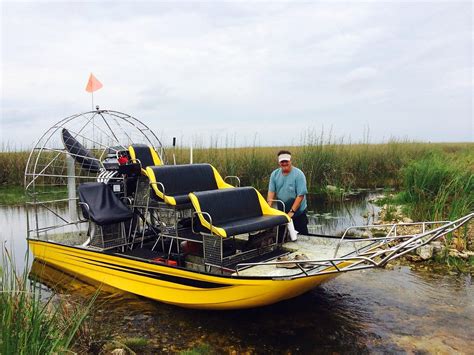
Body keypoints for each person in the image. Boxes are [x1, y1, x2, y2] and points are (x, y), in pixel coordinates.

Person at [267, 150, 309, 235]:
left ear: (290, 161)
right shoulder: (274, 174)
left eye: (286, 161)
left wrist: (292, 212)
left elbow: (300, 195)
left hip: (298, 212)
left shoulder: (298, 174)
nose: (284, 163)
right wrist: (268, 209)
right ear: (279, 162)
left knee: (303, 236)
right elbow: (271, 193)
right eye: (282, 161)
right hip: (282, 212)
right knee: (281, 236)